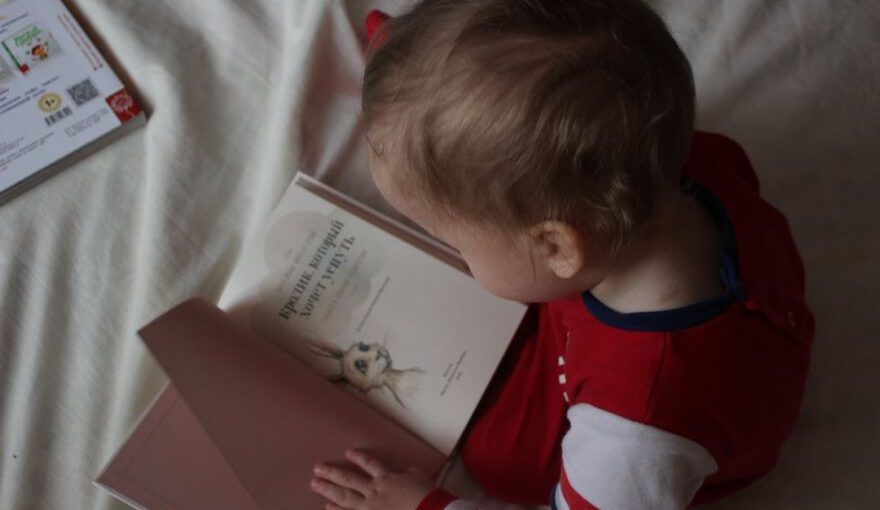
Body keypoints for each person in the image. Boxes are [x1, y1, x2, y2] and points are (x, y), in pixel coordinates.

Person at [310, 0, 814, 508]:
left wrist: (422, 505)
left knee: (499, 454)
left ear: (556, 247)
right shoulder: (656, 154)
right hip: (700, 312)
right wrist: (424, 76)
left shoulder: (636, 430)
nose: (454, 252)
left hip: (658, 394)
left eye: (459, 242)